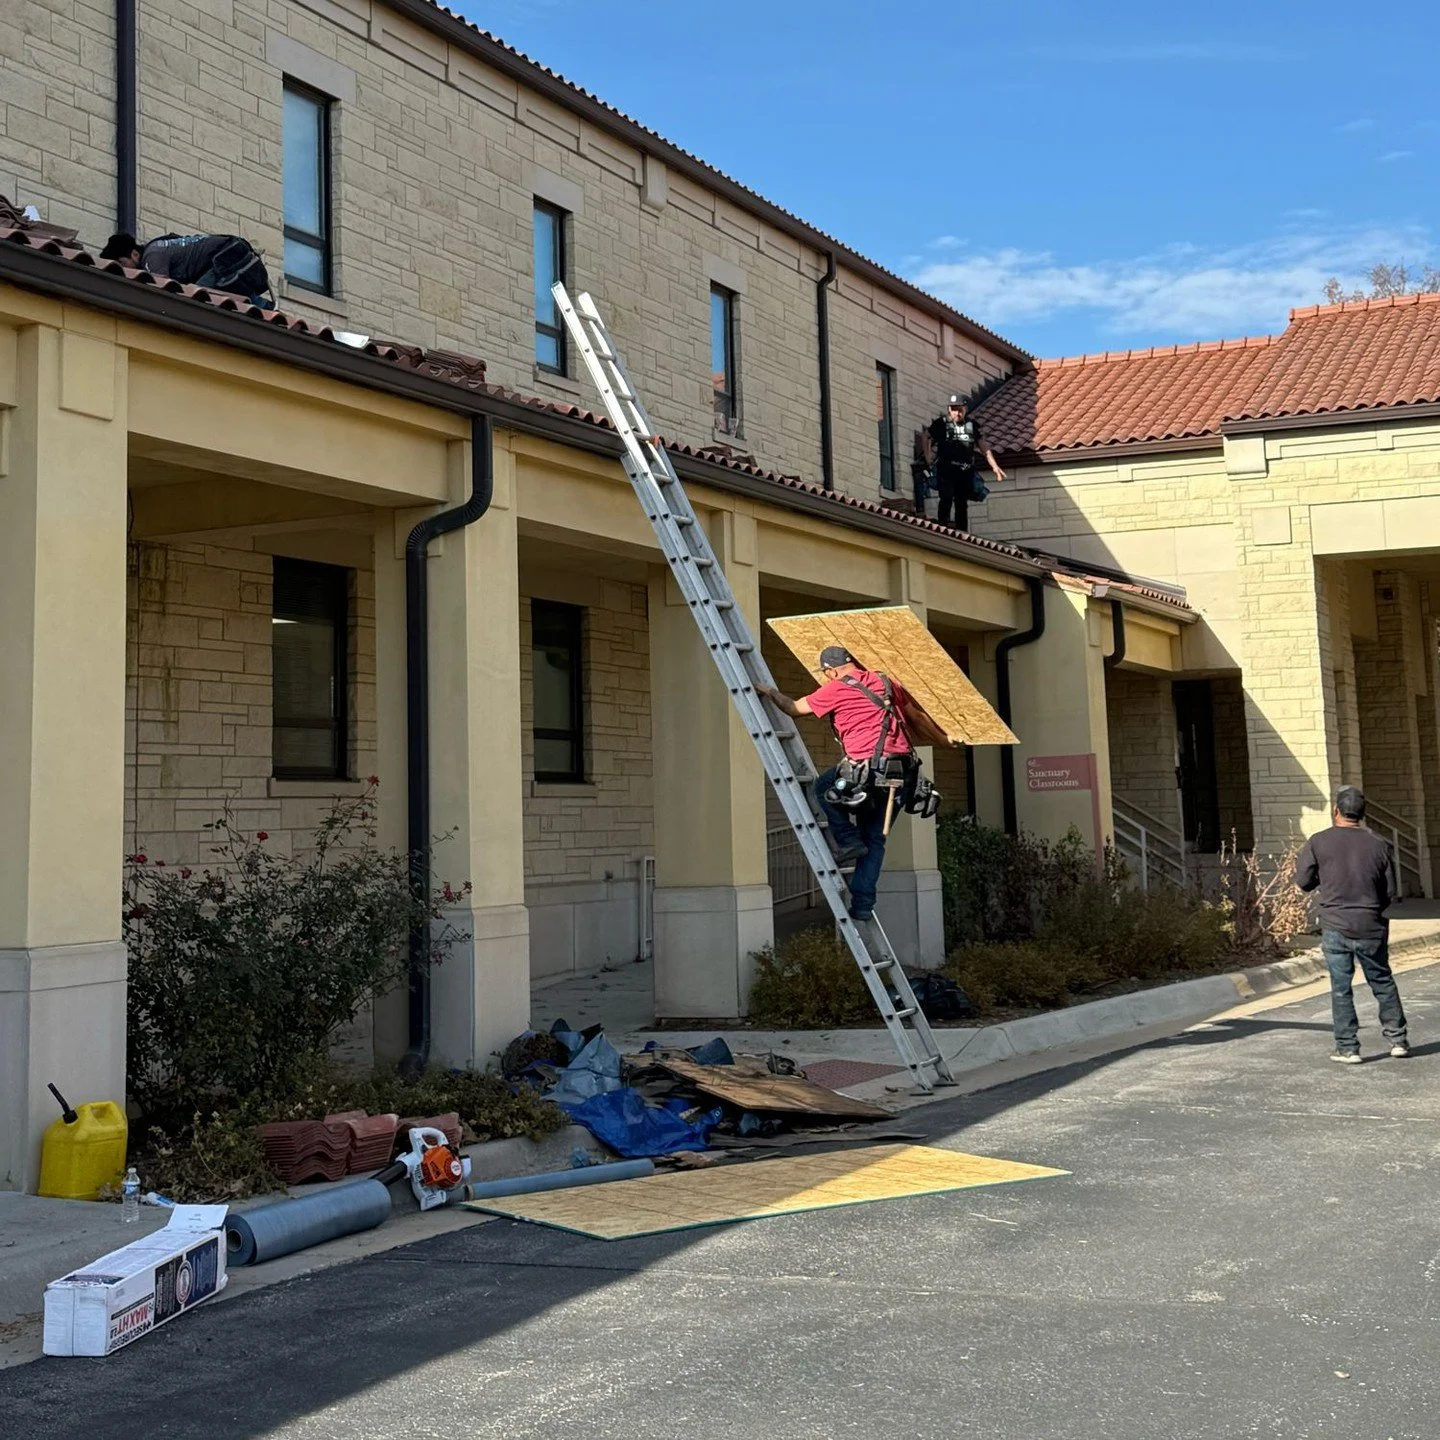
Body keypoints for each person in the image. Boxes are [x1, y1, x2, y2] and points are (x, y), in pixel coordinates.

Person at [758, 647, 939, 923]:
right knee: (875, 839)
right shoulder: (888, 683)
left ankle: (847, 841)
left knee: (822, 789)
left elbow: (793, 708)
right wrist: (945, 739)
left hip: (864, 770)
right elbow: (916, 718)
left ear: (831, 671)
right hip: (902, 774)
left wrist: (771, 692)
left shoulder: (836, 689)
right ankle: (863, 905)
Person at [1295, 785, 1410, 1064]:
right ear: (1362, 814)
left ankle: (1348, 1048)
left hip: (1336, 924)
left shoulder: (1318, 841)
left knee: (1340, 987)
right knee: (1382, 980)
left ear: (1336, 810)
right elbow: (1390, 892)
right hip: (1371, 924)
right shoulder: (1379, 843)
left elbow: (1304, 882)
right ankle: (1398, 1040)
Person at [921, 394, 1006, 531]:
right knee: (946, 497)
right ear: (949, 409)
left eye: (960, 409)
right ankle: (942, 527)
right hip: (946, 469)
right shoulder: (941, 423)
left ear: (965, 409)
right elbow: (926, 436)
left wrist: (995, 467)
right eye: (954, 409)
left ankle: (962, 532)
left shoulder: (972, 426)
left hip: (964, 471)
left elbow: (984, 448)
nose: (957, 413)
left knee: (961, 502)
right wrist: (928, 457)